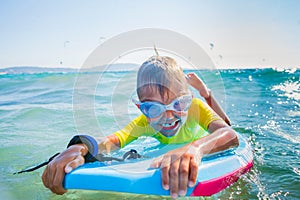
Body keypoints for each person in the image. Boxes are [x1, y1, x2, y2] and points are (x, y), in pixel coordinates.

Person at [42, 56, 238, 199]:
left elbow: (229, 133)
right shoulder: (144, 124)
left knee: (225, 122)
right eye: (153, 108)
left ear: (189, 99)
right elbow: (112, 141)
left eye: (178, 104)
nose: (168, 116)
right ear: (141, 108)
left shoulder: (195, 108)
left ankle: (205, 91)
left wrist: (195, 148)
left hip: (203, 127)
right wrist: (81, 146)